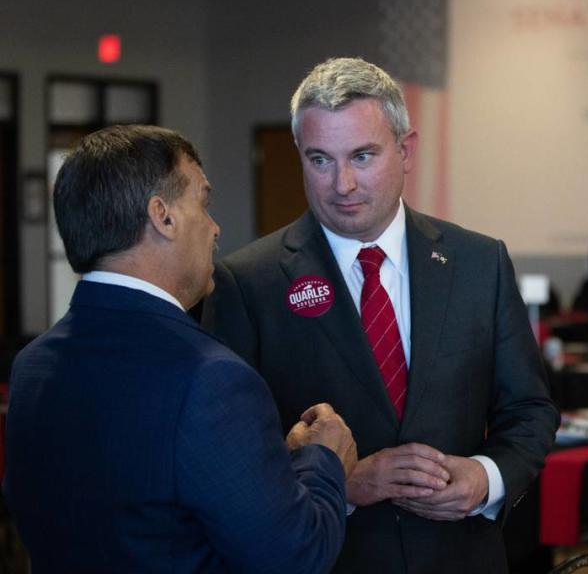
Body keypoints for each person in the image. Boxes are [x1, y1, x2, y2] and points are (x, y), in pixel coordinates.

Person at [202, 57, 558, 574]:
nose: (342, 183)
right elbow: (228, 454)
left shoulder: (480, 263)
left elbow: (530, 410)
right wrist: (336, 483)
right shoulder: (247, 282)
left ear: (406, 150)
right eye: (320, 160)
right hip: (332, 557)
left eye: (362, 156)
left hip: (460, 556)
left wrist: (485, 478)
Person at [3, 125, 357, 573]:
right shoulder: (210, 379)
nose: (215, 228)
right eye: (203, 203)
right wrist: (323, 462)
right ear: (163, 216)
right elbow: (294, 556)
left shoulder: (32, 365)